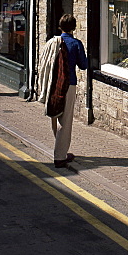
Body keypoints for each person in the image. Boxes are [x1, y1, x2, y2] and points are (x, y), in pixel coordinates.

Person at [52, 13, 88, 168]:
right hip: (69, 84)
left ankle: (60, 149)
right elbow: (84, 65)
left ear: (60, 26)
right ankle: (60, 156)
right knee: (65, 121)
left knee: (55, 115)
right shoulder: (76, 44)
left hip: (53, 84)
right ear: (74, 27)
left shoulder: (53, 42)